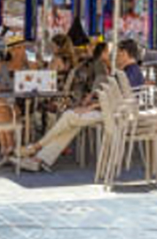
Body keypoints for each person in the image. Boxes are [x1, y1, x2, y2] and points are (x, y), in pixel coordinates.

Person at [21, 40, 144, 171]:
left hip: (114, 114)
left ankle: (38, 147)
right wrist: (92, 101)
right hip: (110, 111)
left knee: (69, 116)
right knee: (72, 121)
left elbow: (118, 100)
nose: (115, 57)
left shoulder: (129, 73)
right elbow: (113, 96)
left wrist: (90, 107)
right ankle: (41, 159)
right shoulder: (131, 71)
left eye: (118, 53)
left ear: (124, 53)